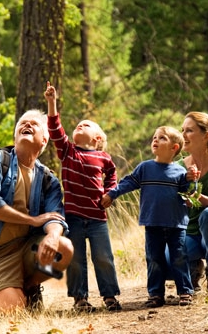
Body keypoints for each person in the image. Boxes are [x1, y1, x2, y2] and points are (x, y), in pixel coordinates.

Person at [0, 109, 74, 314]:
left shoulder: (47, 179)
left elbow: (55, 215)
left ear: (44, 139)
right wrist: (33, 220)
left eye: (34, 124)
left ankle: (30, 285)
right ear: (15, 134)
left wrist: (53, 235)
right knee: (14, 312)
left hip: (26, 248)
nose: (27, 125)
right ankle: (10, 289)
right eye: (23, 123)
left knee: (63, 247)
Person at [44, 82, 121, 312]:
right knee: (76, 260)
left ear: (97, 138)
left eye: (85, 125)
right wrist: (51, 102)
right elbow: (56, 130)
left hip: (98, 218)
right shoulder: (69, 152)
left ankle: (110, 296)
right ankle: (80, 299)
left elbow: (112, 175)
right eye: (78, 125)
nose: (79, 125)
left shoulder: (103, 157)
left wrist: (110, 193)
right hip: (74, 217)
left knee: (104, 258)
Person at [102, 126, 194, 307]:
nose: (155, 140)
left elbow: (189, 193)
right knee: (154, 258)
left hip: (176, 224)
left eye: (162, 138)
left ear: (174, 148)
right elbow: (128, 182)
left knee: (179, 257)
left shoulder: (181, 172)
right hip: (152, 223)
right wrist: (112, 194)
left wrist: (193, 180)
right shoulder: (145, 168)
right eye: (154, 137)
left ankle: (185, 292)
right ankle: (155, 294)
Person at [175, 111, 208, 291]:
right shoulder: (178, 167)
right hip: (189, 234)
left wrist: (200, 198)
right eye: (182, 130)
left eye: (189, 131)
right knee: (166, 262)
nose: (183, 136)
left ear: (206, 136)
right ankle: (194, 267)